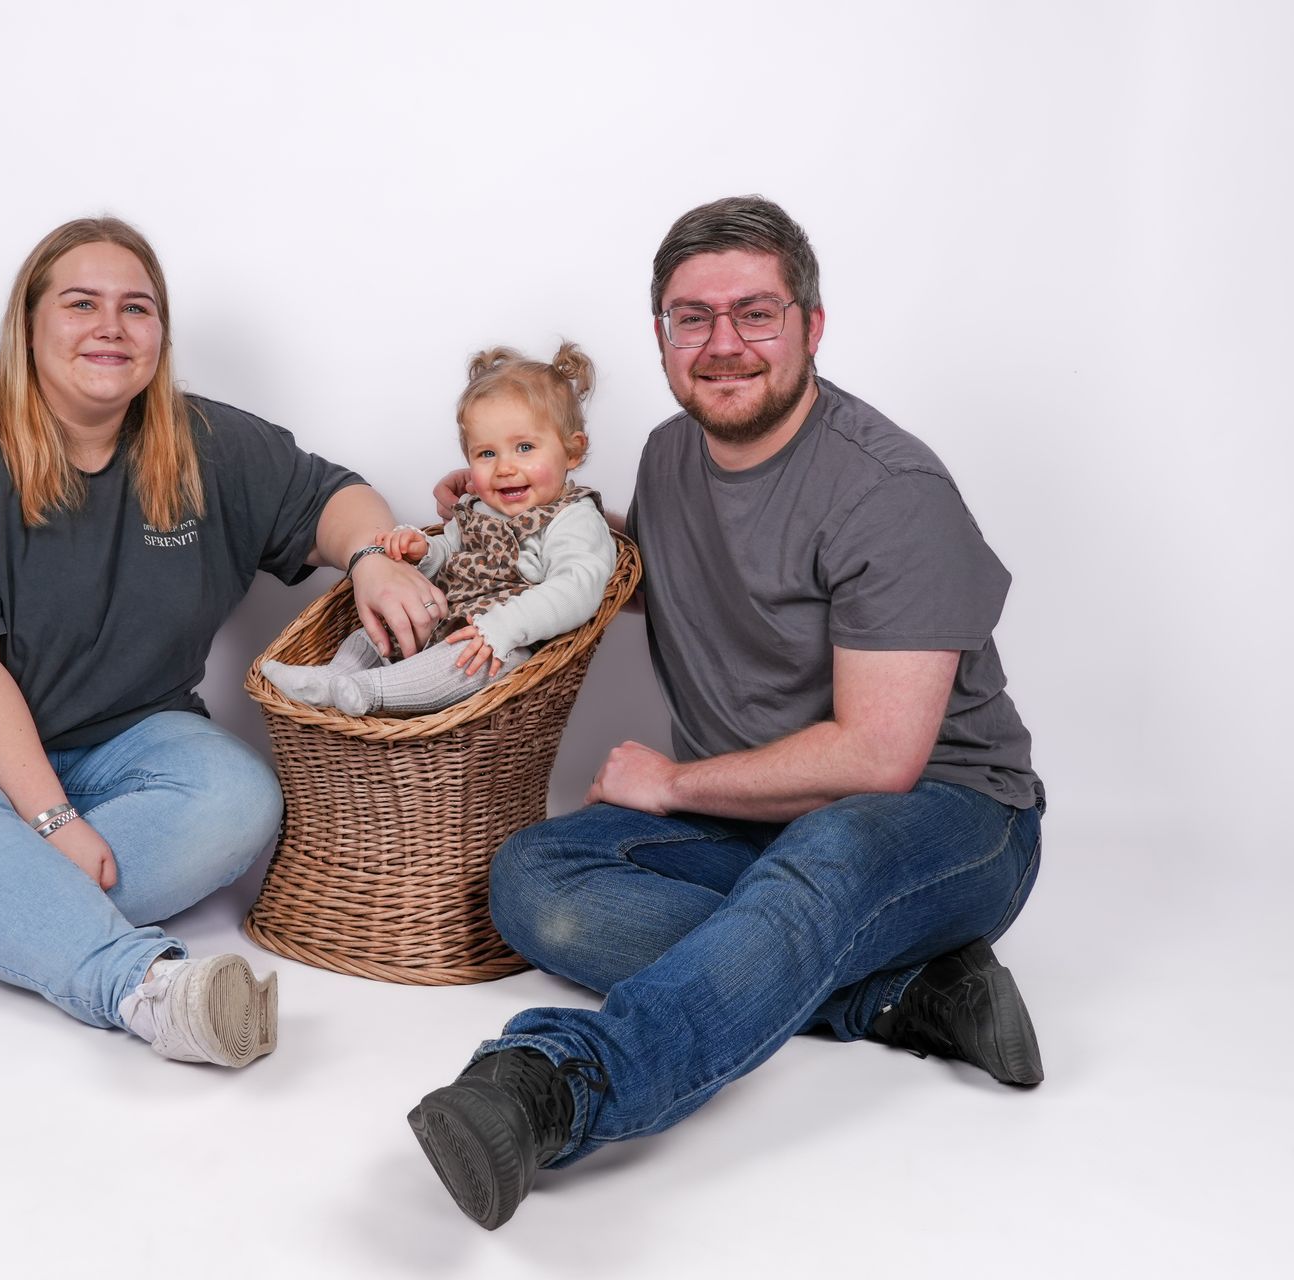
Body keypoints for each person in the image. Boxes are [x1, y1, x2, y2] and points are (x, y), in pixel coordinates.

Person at [408, 196, 1047, 1225]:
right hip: (760, 811)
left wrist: (672, 781)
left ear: (812, 326)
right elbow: (615, 567)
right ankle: (893, 993)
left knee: (829, 854)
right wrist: (512, 517)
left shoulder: (890, 489)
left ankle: (553, 1085)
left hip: (952, 817)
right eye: (690, 317)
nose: (723, 344)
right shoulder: (669, 456)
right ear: (660, 335)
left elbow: (879, 757)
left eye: (755, 313)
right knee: (532, 878)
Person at [0, 216, 442, 1068]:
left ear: (160, 333)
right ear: (30, 325)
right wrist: (51, 826)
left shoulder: (203, 444)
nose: (111, 327)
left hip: (122, 745)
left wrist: (375, 557)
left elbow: (332, 495)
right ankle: (150, 990)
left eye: (138, 308)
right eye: (81, 303)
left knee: (240, 798)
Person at [260, 343, 616, 717]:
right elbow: (451, 552)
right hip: (441, 618)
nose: (505, 468)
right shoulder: (478, 508)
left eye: (524, 447)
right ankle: (333, 677)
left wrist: (504, 627)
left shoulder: (571, 519)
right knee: (378, 630)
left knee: (468, 664)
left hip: (494, 640)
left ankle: (367, 691)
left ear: (572, 452)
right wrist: (423, 552)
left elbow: (577, 587)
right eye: (487, 454)